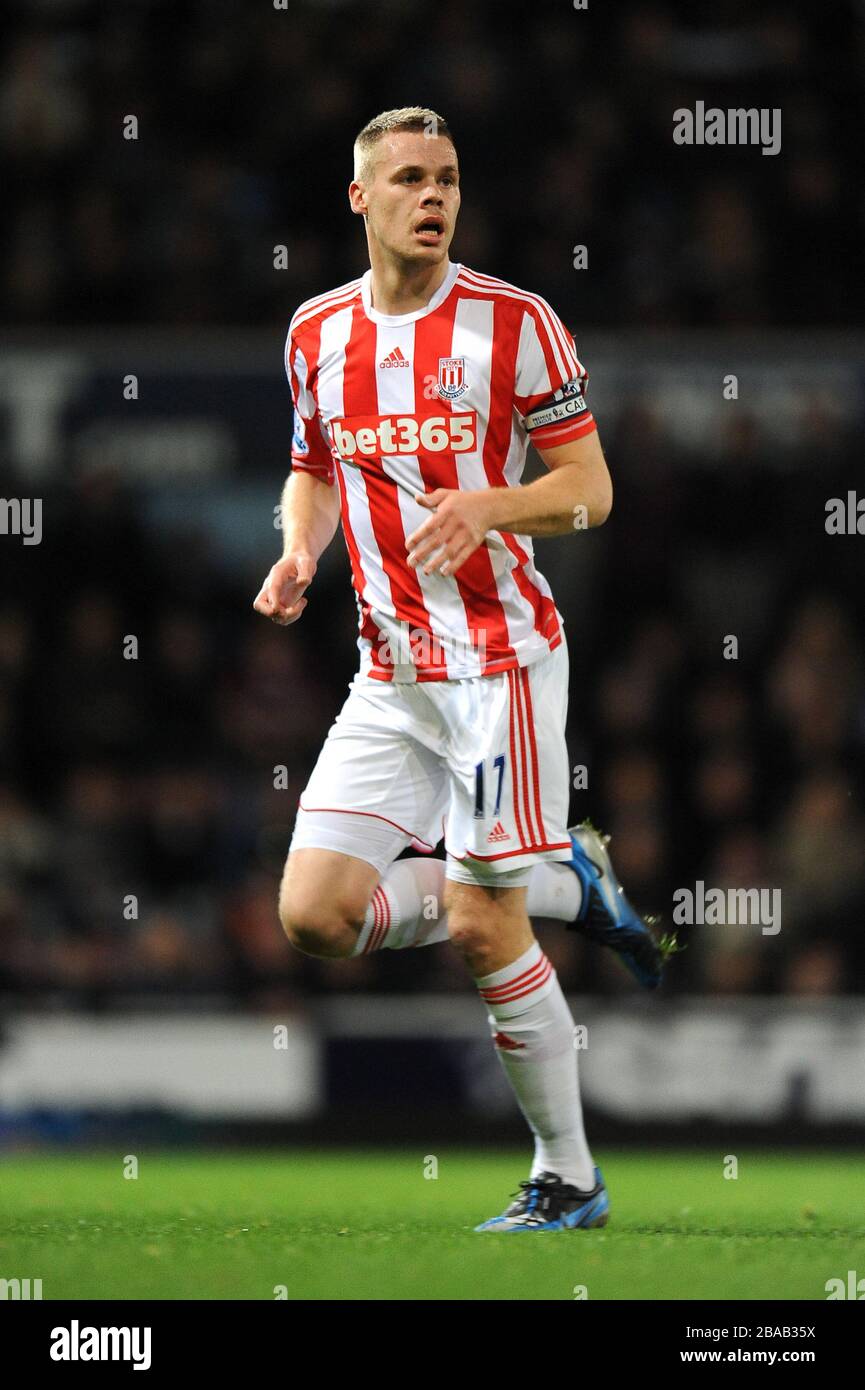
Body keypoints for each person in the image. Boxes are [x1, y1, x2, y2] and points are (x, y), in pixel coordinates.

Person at [254, 107, 660, 1232]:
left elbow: (591, 488)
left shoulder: (514, 325)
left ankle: (568, 1179)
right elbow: (314, 471)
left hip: (500, 665)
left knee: (484, 926)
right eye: (408, 180)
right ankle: (568, 880)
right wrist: (298, 549)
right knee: (315, 915)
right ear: (360, 199)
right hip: (389, 676)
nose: (432, 198)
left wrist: (497, 502)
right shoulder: (314, 334)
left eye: (447, 179)